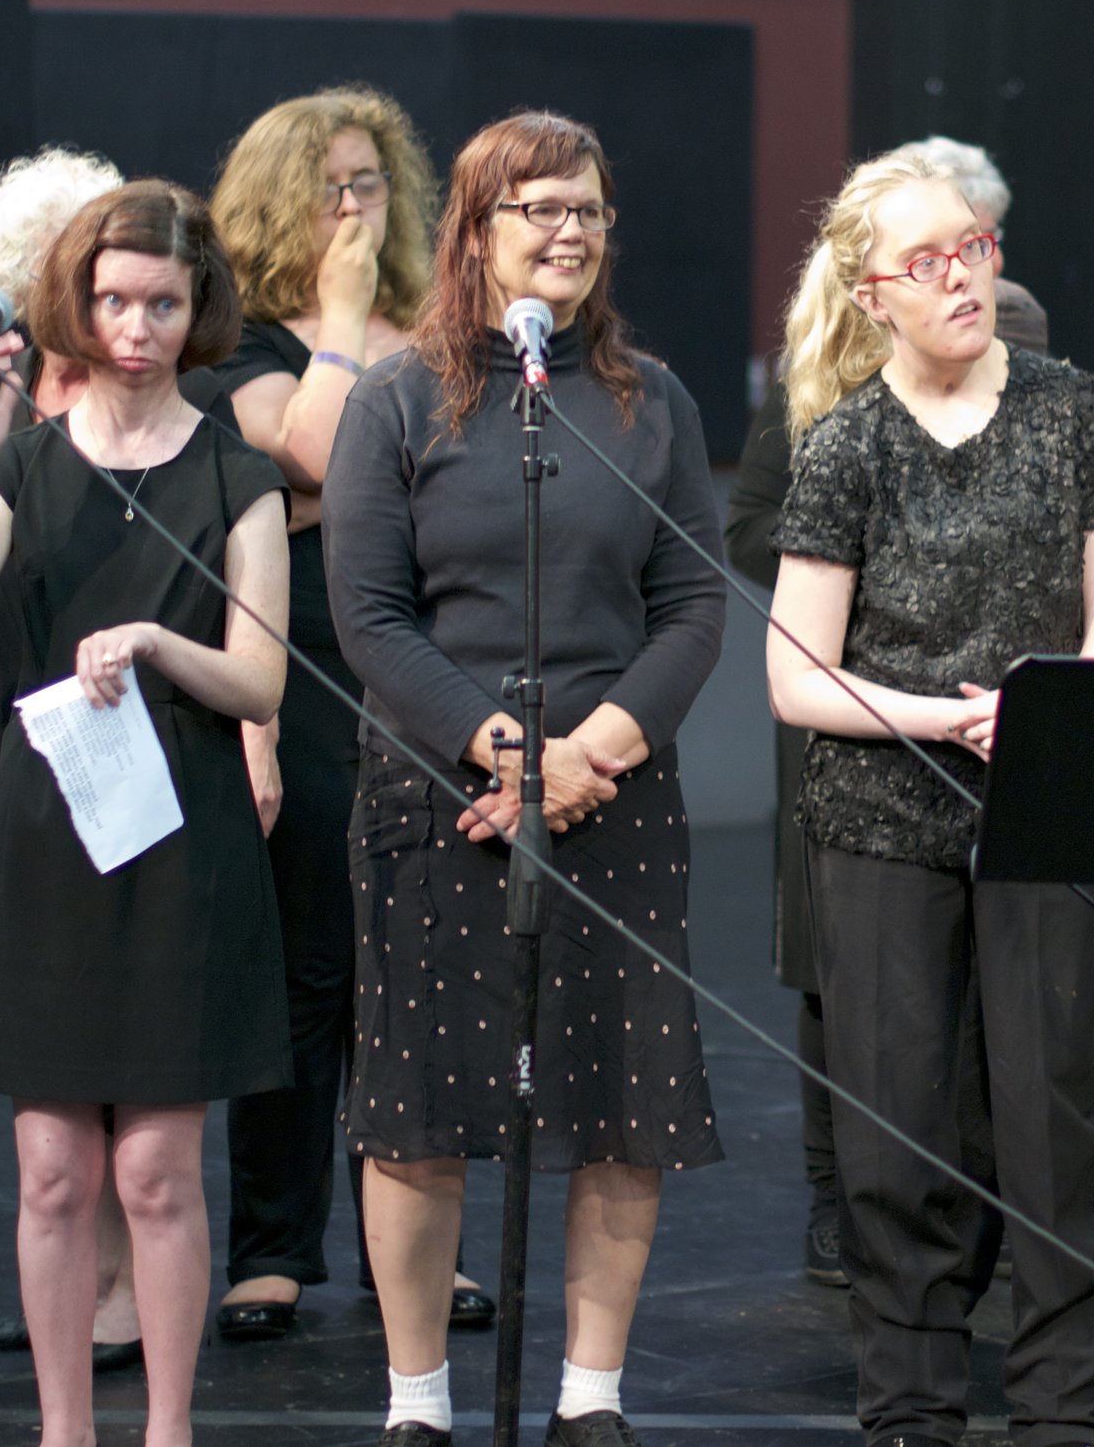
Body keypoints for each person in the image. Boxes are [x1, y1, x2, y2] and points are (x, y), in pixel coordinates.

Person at [722, 137, 1094, 1366]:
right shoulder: (843, 444)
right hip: (884, 816)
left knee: (1051, 1120)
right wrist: (948, 715)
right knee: (895, 1132)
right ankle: (910, 1399)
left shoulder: (1070, 408)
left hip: (1045, 803)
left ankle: (1064, 1398)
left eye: (975, 250)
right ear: (871, 290)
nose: (961, 276)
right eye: (928, 259)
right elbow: (797, 675)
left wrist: (1054, 708)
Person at [324, 110, 726, 1447]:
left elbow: (690, 604)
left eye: (588, 210)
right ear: (475, 230)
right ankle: (419, 1398)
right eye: (537, 208)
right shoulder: (395, 397)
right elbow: (372, 615)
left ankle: (592, 1393)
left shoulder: (650, 397)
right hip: (441, 793)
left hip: (613, 789)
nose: (567, 231)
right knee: (419, 1104)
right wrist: (502, 752)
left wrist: (591, 754)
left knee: (624, 1099)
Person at [0, 180, 293, 1447]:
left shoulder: (238, 471)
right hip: (51, 838)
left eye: (162, 302)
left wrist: (161, 643)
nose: (135, 326)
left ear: (198, 308)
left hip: (182, 841)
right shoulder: (26, 463)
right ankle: (66, 1431)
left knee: (156, 1171)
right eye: (115, 299)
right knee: (55, 1172)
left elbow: (262, 676)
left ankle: (166, 1429)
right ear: (84, 299)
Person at [198, 85, 496, 1341]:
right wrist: (336, 310)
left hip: (430, 654)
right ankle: (273, 1243)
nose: (353, 202)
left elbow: (452, 498)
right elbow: (305, 457)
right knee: (311, 957)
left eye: (370, 179)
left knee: (425, 960)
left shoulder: (439, 332)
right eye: (327, 183)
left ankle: (413, 1252)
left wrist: (343, 498)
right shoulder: (249, 339)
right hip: (311, 655)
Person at [0, 148, 156, 1375]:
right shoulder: (6, 391)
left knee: (135, 1047)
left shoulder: (151, 389)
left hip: (137, 715)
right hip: (29, 715)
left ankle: (129, 1281)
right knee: (59, 1050)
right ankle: (73, 1277)